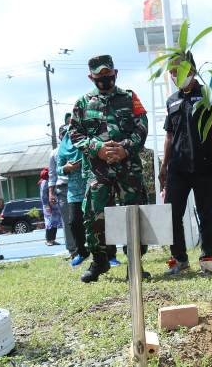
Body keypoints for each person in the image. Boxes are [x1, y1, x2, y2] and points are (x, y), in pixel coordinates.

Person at [68, 55, 149, 283]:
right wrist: (97, 148)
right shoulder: (82, 103)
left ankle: (135, 263)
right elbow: (74, 132)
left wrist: (124, 148)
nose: (105, 77)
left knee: (134, 214)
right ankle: (100, 261)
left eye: (108, 73)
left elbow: (142, 126)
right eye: (99, 75)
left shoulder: (130, 97)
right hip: (98, 171)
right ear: (91, 77)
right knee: (94, 216)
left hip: (128, 168)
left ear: (115, 72)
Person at [160, 52, 212, 277]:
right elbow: (169, 136)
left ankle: (207, 258)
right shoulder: (172, 100)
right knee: (172, 214)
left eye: (176, 71)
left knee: (206, 212)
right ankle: (179, 259)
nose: (173, 76)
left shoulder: (206, 93)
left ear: (190, 70)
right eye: (170, 73)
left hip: (203, 163)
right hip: (177, 167)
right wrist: (163, 165)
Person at [56, 134, 89, 267]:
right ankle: (81, 252)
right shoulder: (63, 147)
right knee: (74, 222)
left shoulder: (89, 137)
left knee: (98, 222)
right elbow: (58, 169)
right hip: (74, 191)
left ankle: (109, 255)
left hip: (92, 186)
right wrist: (66, 168)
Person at [49, 147, 77, 258]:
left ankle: (85, 247)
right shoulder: (54, 152)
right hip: (62, 188)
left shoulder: (77, 147)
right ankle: (72, 249)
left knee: (82, 218)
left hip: (79, 186)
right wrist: (51, 193)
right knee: (67, 220)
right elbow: (52, 174)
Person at [38, 168, 63, 246]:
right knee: (49, 223)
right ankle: (48, 240)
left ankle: (52, 239)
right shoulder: (45, 182)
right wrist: (46, 205)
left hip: (54, 205)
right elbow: (43, 195)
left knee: (55, 223)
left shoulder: (50, 181)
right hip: (49, 206)